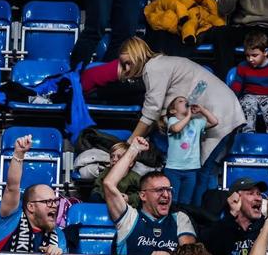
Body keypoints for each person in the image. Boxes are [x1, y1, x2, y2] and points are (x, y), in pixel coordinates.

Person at [117, 37, 245, 205]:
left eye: (128, 63)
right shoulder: (161, 64)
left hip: (219, 111)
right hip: (225, 109)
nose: (127, 69)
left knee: (202, 172)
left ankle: (196, 216)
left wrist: (130, 144)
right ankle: (201, 214)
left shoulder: (153, 68)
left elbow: (151, 112)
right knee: (207, 172)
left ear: (138, 56)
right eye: (123, 65)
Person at [103, 136, 196, 255]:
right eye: (159, 190)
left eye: (169, 190)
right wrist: (133, 149)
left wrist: (169, 253)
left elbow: (189, 254)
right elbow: (109, 184)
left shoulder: (180, 218)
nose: (166, 195)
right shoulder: (130, 219)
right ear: (143, 195)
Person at [0, 135, 69, 255]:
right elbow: (12, 188)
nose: (54, 206)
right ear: (31, 207)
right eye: (47, 202)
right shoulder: (9, 220)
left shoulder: (58, 234)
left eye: (55, 201)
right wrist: (18, 155)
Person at [230, 30, 268, 135]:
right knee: (247, 105)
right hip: (250, 96)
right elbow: (237, 87)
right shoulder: (242, 66)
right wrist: (231, 101)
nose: (250, 59)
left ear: (265, 52)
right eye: (247, 55)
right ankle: (247, 135)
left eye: (254, 55)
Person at [163, 96, 218, 205]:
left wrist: (201, 109)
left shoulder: (196, 123)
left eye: (186, 101)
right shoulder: (172, 120)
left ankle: (183, 220)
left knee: (185, 202)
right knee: (172, 201)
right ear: (173, 110)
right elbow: (176, 128)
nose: (185, 102)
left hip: (191, 169)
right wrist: (188, 115)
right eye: (180, 101)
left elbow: (214, 122)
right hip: (174, 169)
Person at [90, 141, 141, 208]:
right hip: (105, 203)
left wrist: (129, 198)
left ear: (130, 163)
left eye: (119, 157)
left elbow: (142, 194)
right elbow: (97, 187)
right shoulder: (106, 172)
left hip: (127, 207)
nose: (114, 159)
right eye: (112, 157)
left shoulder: (135, 178)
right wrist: (103, 195)